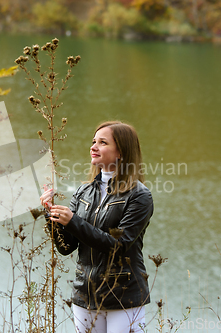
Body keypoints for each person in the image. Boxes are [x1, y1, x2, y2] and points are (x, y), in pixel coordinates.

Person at [40, 121, 154, 333]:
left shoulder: (139, 195)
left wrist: (73, 221)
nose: (93, 147)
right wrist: (52, 216)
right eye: (94, 141)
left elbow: (119, 246)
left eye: (103, 142)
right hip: (85, 295)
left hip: (123, 297)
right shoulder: (83, 191)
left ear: (121, 151)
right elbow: (66, 247)